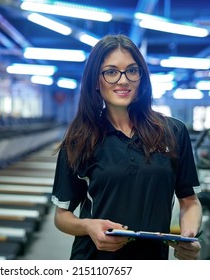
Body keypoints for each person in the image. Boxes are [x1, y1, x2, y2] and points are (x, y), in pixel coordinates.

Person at [51, 34, 202, 260]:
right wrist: (88, 227)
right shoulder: (79, 139)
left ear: (141, 77)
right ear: (95, 80)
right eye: (111, 72)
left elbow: (189, 201)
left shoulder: (174, 132)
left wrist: (189, 235)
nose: (123, 80)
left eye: (132, 70)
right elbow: (62, 216)